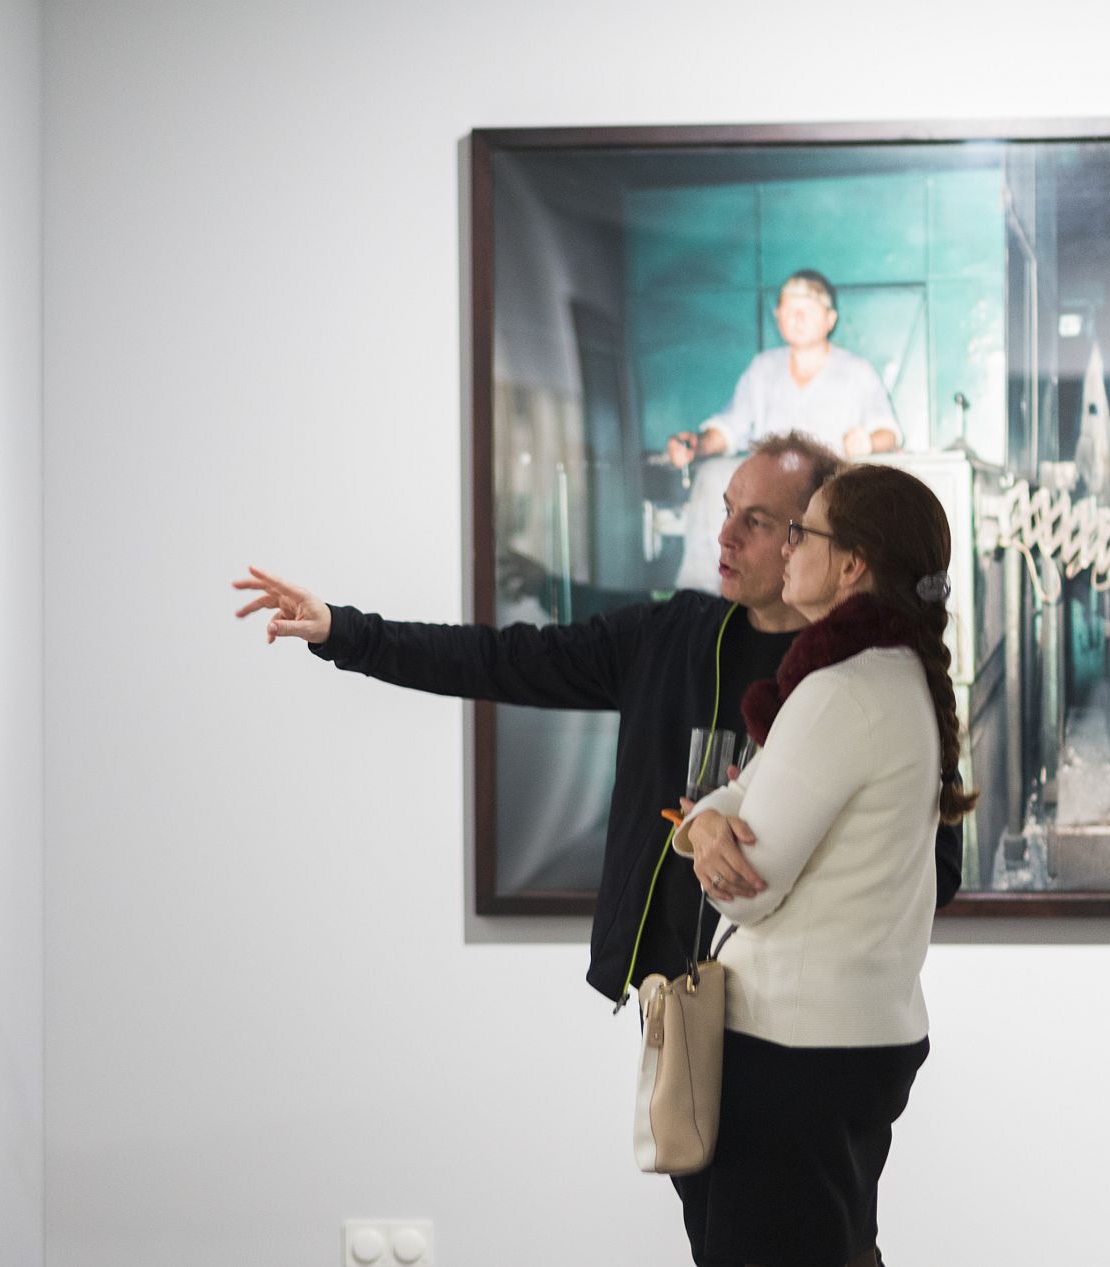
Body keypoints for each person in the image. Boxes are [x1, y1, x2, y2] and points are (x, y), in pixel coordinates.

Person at [232, 432, 962, 1007]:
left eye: (760, 521)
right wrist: (344, 631)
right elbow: (500, 659)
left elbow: (932, 867)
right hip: (680, 1001)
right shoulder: (673, 637)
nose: (725, 537)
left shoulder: (864, 682)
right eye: (727, 510)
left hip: (794, 1018)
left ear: (818, 543)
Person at [669, 463, 972, 1267]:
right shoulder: (890, 674)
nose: (786, 546)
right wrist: (707, 825)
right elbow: (736, 806)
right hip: (851, 1038)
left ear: (852, 564)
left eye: (802, 530)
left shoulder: (840, 689)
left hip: (793, 1050)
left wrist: (709, 832)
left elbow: (750, 888)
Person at [667, 270, 902, 466]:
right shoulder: (762, 369)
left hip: (833, 502)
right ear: (777, 316)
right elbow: (730, 427)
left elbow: (888, 434)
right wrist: (696, 445)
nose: (798, 319)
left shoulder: (857, 371)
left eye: (808, 310)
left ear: (830, 319)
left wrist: (868, 443)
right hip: (771, 502)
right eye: (789, 311)